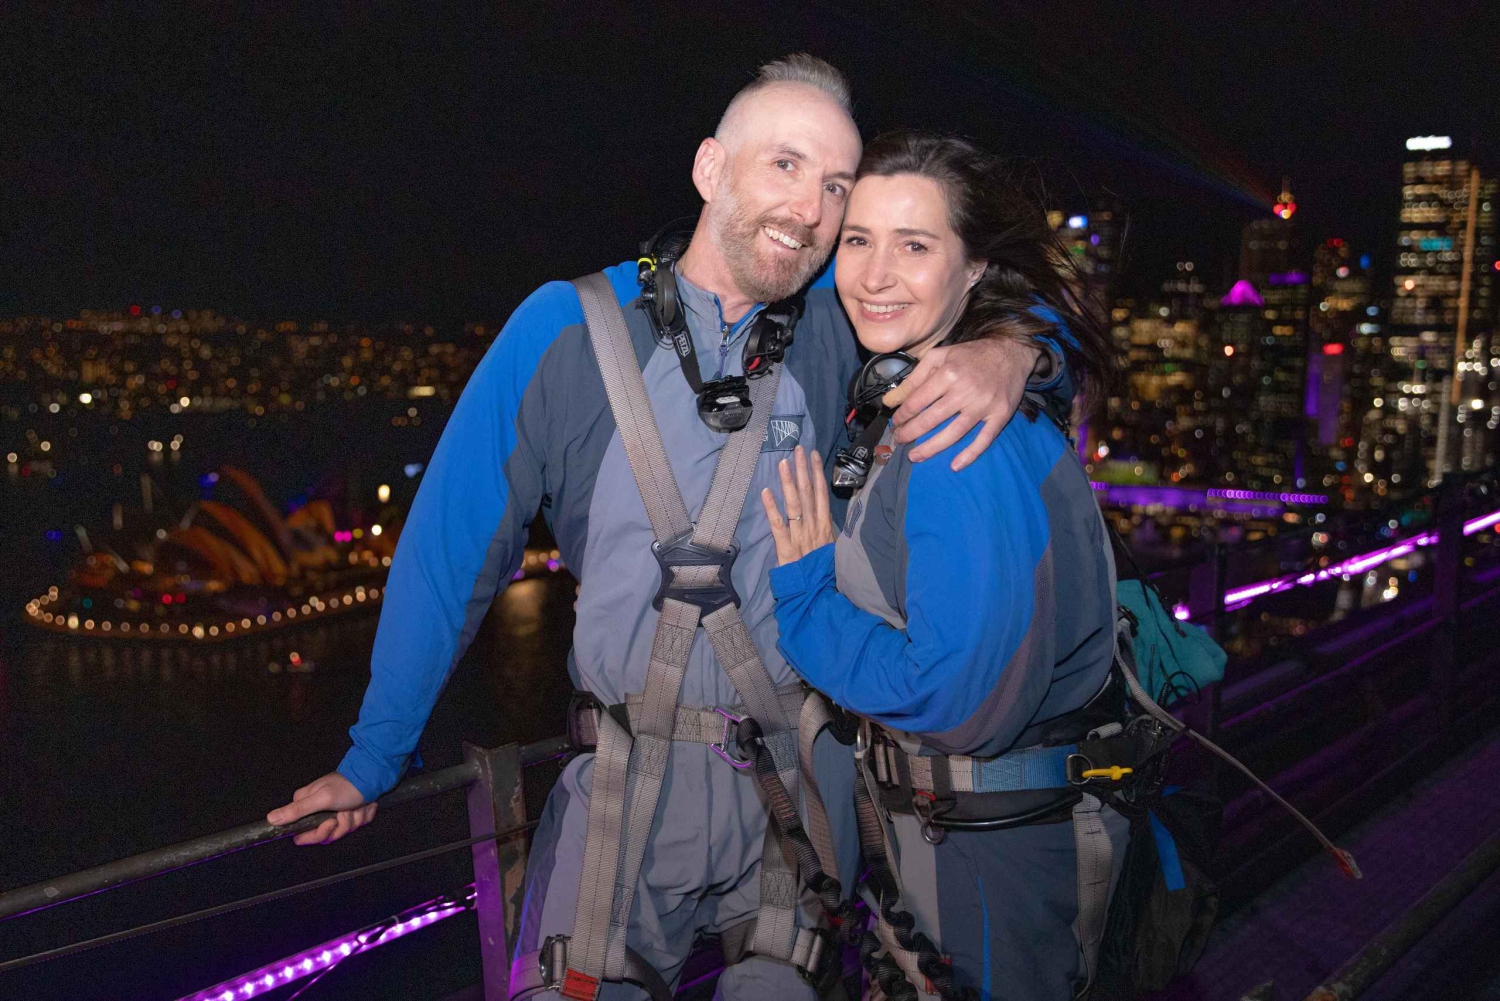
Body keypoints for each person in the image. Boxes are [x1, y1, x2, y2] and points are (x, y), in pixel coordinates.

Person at [267, 59, 1060, 999]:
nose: (812, 209)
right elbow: (451, 548)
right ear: (710, 168)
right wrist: (373, 756)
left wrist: (1011, 354)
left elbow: (1007, 295)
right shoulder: (564, 331)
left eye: (836, 185)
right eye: (786, 165)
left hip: (793, 787)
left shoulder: (839, 327)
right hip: (623, 793)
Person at [762, 130, 1128, 1001]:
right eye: (858, 240)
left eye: (915, 245)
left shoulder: (956, 440)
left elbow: (955, 702)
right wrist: (1026, 346)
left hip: (985, 852)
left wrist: (807, 601)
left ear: (972, 274)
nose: (876, 273)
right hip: (954, 839)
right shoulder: (918, 382)